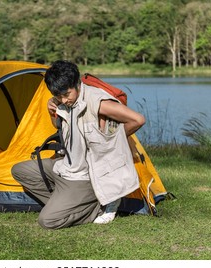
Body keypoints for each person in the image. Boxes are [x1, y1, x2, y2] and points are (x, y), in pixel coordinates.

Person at [11, 60, 145, 229]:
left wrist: (110, 139)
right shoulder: (63, 100)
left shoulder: (97, 101)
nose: (64, 100)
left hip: (85, 176)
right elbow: (57, 126)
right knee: (19, 171)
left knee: (47, 221)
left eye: (66, 94)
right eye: (59, 96)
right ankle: (66, 202)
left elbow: (138, 119)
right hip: (65, 166)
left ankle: (97, 206)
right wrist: (52, 110)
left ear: (77, 83)